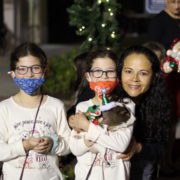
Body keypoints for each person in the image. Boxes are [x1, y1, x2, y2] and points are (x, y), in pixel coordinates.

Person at [69, 46, 173, 180]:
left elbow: (161, 148)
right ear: (120, 72)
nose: (135, 79)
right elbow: (77, 115)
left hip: (136, 166)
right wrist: (73, 120)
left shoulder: (157, 103)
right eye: (129, 71)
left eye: (143, 73)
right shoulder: (100, 92)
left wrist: (138, 148)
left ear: (153, 76)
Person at [0, 42, 71, 180]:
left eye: (35, 68)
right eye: (22, 69)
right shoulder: (4, 108)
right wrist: (24, 145)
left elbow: (69, 144)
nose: (29, 74)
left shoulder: (56, 106)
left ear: (45, 71)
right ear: (13, 73)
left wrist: (53, 144)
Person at [69, 49, 136, 180]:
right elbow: (75, 148)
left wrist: (88, 128)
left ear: (117, 76)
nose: (104, 76)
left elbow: (121, 145)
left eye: (110, 72)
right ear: (88, 76)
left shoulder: (126, 106)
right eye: (97, 71)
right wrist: (92, 140)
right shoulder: (82, 107)